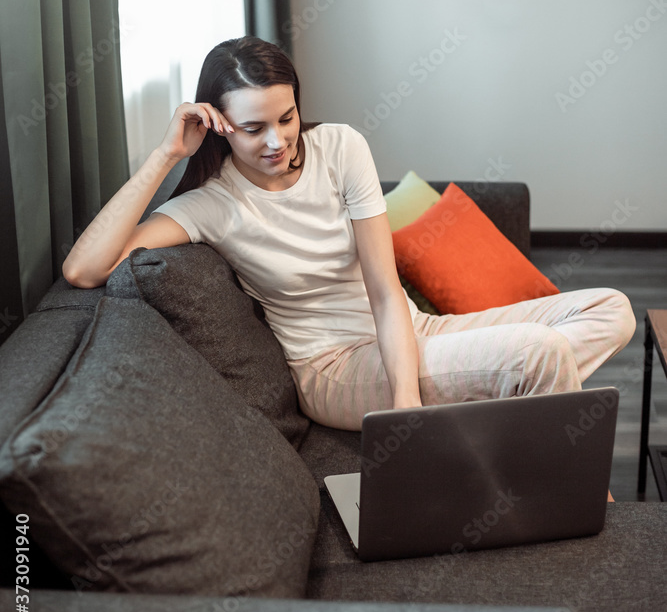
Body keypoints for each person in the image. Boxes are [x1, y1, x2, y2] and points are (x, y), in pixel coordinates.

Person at [63, 36, 636, 442]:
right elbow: (84, 270)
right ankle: (581, 499)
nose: (276, 141)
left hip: (409, 332)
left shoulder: (340, 147)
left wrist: (407, 402)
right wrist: (166, 152)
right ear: (218, 123)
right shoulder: (210, 204)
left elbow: (386, 291)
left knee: (611, 309)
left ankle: (500, 409)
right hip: (333, 367)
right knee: (542, 353)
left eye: (285, 118)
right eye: (253, 128)